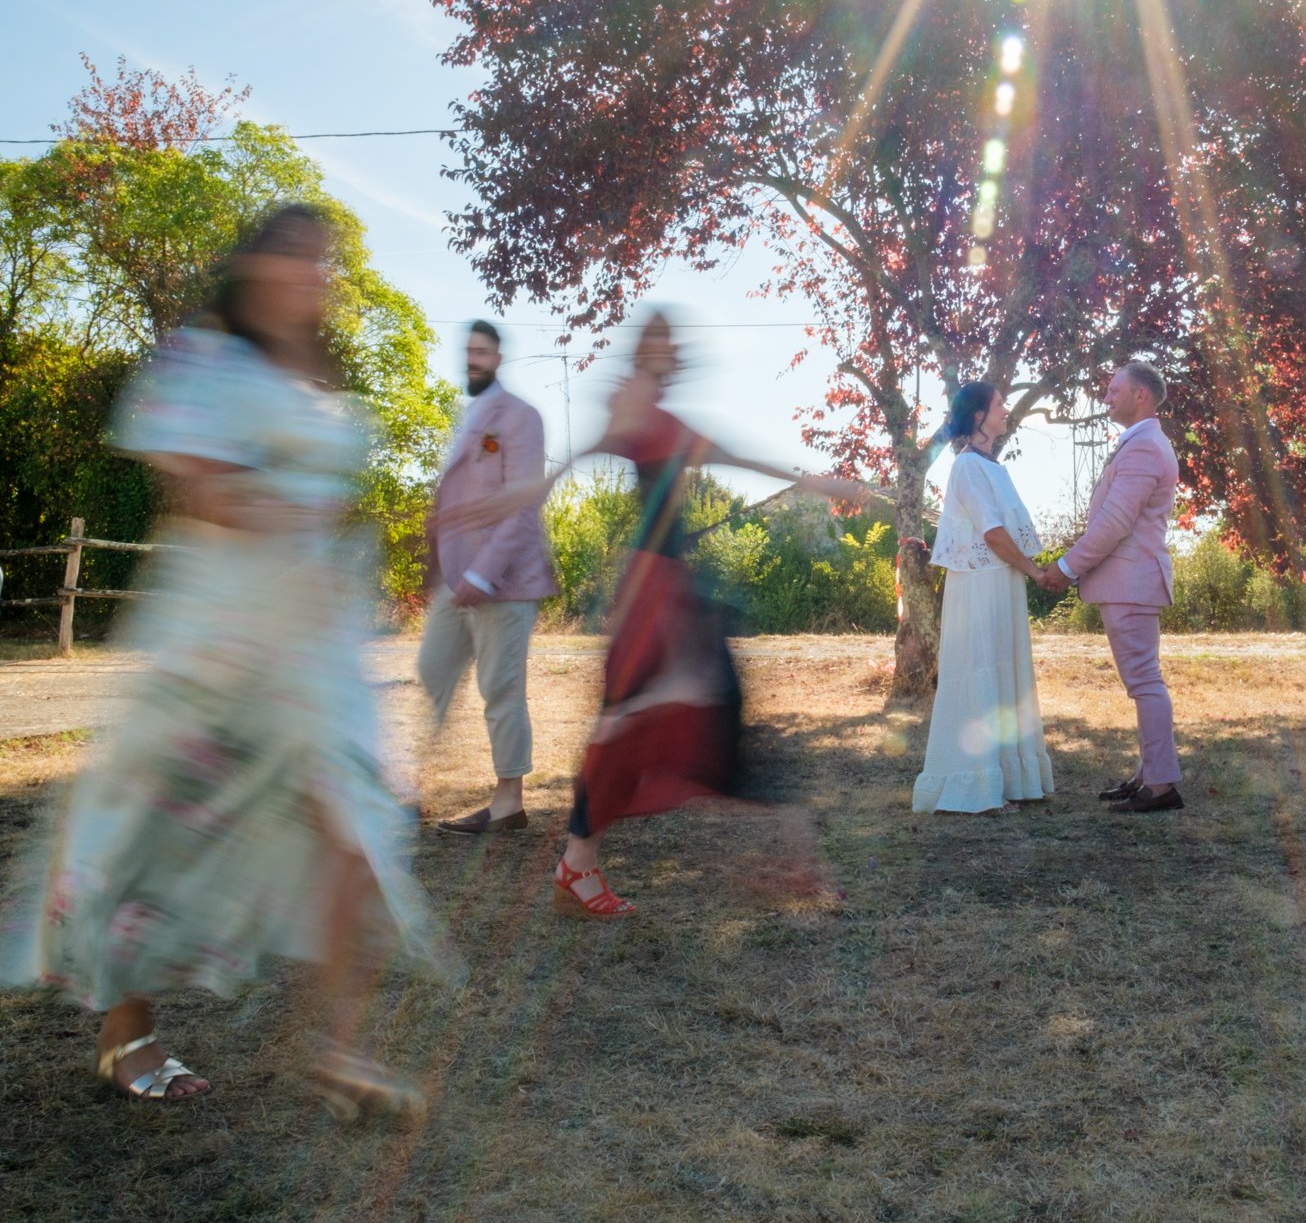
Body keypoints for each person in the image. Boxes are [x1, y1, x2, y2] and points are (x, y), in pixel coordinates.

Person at [0, 206, 440, 1115]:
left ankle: (338, 1050)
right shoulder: (202, 356)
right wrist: (283, 517)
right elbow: (193, 482)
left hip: (312, 654)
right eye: (296, 254)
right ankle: (129, 1034)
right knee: (153, 843)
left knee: (353, 833)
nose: (314, 273)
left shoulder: (323, 379)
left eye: (325, 260)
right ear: (250, 265)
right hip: (217, 642)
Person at [442, 311, 867, 917]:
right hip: (652, 595)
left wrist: (823, 484)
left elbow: (737, 457)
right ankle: (782, 864)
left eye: (674, 338)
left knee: (669, 720)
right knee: (644, 724)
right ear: (646, 349)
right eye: (660, 338)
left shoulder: (669, 418)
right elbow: (579, 457)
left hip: (674, 590)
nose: (671, 347)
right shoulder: (633, 403)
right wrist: (515, 497)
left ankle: (588, 867)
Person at [424, 320, 560, 835]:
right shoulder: (469, 416)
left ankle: (508, 804)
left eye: (480, 352)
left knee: (500, 691)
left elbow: (523, 507)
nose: (471, 360)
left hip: (503, 581)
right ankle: (412, 786)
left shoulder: (520, 417)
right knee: (432, 668)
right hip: (456, 578)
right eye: (467, 352)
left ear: (498, 358)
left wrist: (482, 575)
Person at [1037, 362, 1183, 814]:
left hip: (1130, 581)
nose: (1106, 398)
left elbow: (1115, 523)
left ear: (1141, 395)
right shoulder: (1142, 442)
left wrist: (1066, 567)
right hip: (1131, 581)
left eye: (1113, 390)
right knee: (1142, 682)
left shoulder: (1143, 448)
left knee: (1144, 683)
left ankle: (1160, 786)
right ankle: (1149, 775)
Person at [912, 382, 1054, 814]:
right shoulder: (967, 467)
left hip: (1002, 583)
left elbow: (1004, 533)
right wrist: (1034, 572)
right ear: (978, 416)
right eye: (998, 404)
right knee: (980, 671)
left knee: (1005, 671)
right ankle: (975, 787)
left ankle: (1011, 780)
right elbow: (992, 533)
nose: (1005, 409)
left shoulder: (996, 468)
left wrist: (1030, 570)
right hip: (979, 586)